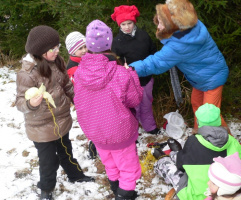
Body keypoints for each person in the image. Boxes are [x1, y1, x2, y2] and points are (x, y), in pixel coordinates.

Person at [15, 25, 94, 200]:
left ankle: (75, 175)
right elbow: (20, 102)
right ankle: (46, 189)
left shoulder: (57, 62)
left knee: (66, 151)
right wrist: (31, 104)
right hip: (41, 128)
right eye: (54, 48)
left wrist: (78, 100)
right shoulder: (27, 74)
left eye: (58, 46)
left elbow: (66, 85)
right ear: (41, 52)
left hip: (61, 121)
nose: (58, 50)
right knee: (48, 161)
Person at [129, 0, 230, 134]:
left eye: (161, 22)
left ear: (173, 25)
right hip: (201, 77)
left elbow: (155, 63)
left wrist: (131, 69)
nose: (158, 26)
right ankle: (199, 134)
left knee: (210, 115)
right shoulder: (191, 25)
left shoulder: (178, 46)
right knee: (197, 103)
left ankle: (228, 145)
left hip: (212, 78)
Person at [73, 19, 143, 200]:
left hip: (96, 132)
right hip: (119, 132)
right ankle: (124, 195)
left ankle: (116, 190)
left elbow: (79, 100)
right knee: (128, 168)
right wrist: (132, 75)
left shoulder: (79, 73)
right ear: (109, 43)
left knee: (110, 164)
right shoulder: (120, 73)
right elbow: (135, 99)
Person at [153, 103, 241, 200]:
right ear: (219, 120)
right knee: (186, 158)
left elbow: (180, 166)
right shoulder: (233, 142)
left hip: (196, 196)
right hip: (227, 193)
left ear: (198, 122)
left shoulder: (193, 141)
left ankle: (163, 159)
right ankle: (177, 153)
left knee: (170, 168)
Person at [111, 5, 160, 135]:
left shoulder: (143, 36)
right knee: (133, 108)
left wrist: (153, 67)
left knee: (146, 104)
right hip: (130, 81)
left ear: (134, 23)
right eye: (123, 24)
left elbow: (153, 52)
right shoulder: (117, 42)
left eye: (129, 23)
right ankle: (133, 132)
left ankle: (150, 126)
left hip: (146, 78)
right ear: (119, 25)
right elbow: (115, 62)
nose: (127, 27)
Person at [64, 31, 97, 159]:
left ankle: (98, 140)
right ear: (72, 51)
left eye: (85, 47)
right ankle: (92, 142)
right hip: (84, 101)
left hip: (95, 98)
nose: (84, 50)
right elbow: (84, 82)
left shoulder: (88, 58)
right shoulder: (72, 68)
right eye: (80, 48)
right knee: (90, 123)